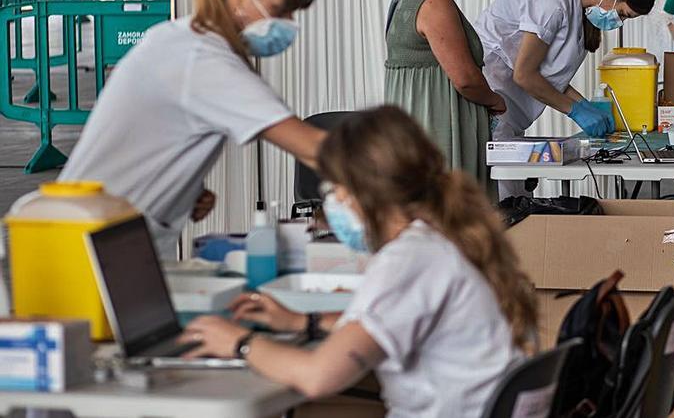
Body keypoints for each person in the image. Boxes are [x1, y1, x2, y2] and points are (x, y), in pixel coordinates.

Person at [180, 106, 536, 417]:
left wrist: (239, 343)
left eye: (335, 190)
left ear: (366, 191)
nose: (331, 203)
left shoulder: (409, 259)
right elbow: (386, 325)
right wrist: (303, 321)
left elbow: (317, 376)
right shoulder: (444, 237)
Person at [57, 0, 325, 255]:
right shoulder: (203, 59)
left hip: (104, 231)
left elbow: (148, 134)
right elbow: (313, 148)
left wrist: (185, 187)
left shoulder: (180, 38)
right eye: (279, 11)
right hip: (93, 241)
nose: (287, 25)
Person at [474, 0, 655, 192]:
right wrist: (575, 110)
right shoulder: (553, 2)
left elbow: (548, 74)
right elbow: (525, 75)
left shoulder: (578, 1)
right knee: (501, 202)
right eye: (624, 14)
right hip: (491, 100)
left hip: (510, 109)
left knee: (511, 198)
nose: (620, 22)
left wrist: (583, 104)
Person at [385, 0, 506, 194]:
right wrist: (496, 102)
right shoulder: (433, 2)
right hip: (439, 129)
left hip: (419, 123)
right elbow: (464, 78)